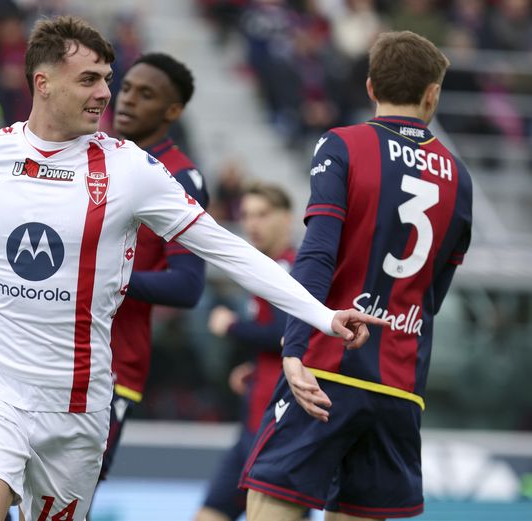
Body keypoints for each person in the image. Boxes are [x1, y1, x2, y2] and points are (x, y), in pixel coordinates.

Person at [0, 16, 387, 521]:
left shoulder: (131, 170)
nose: (105, 93)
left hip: (78, 401)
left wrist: (320, 315)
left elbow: (224, 248)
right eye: (89, 79)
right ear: (43, 83)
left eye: (106, 78)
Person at [241, 31, 473, 521]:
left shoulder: (343, 144)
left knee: (270, 502)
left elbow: (317, 254)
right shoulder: (459, 176)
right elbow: (434, 292)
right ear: (432, 93)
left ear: (370, 87)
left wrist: (293, 348)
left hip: (327, 369)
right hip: (400, 385)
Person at [99, 52, 209, 485]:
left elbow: (187, 285)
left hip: (111, 367)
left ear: (172, 111)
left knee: (65, 502)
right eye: (126, 88)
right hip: (49, 352)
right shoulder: (93, 156)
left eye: (146, 95)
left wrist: (105, 279)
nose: (128, 100)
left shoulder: (181, 178)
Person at [194, 182, 297, 521]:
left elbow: (288, 336)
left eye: (262, 214)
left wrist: (232, 326)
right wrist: (256, 367)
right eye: (247, 215)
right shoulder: (266, 267)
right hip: (253, 419)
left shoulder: (290, 269)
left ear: (286, 219)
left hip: (277, 425)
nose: (252, 224)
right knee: (209, 514)